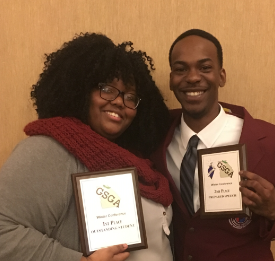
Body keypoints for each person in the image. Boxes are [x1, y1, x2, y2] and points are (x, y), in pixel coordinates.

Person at [0, 33, 173, 261]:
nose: (120, 102)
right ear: (81, 90)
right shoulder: (48, 150)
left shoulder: (135, 159)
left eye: (130, 96)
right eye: (108, 89)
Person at [151, 29, 275, 261]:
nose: (193, 77)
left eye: (205, 67)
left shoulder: (268, 141)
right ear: (170, 79)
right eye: (180, 69)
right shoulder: (155, 137)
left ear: (222, 76)